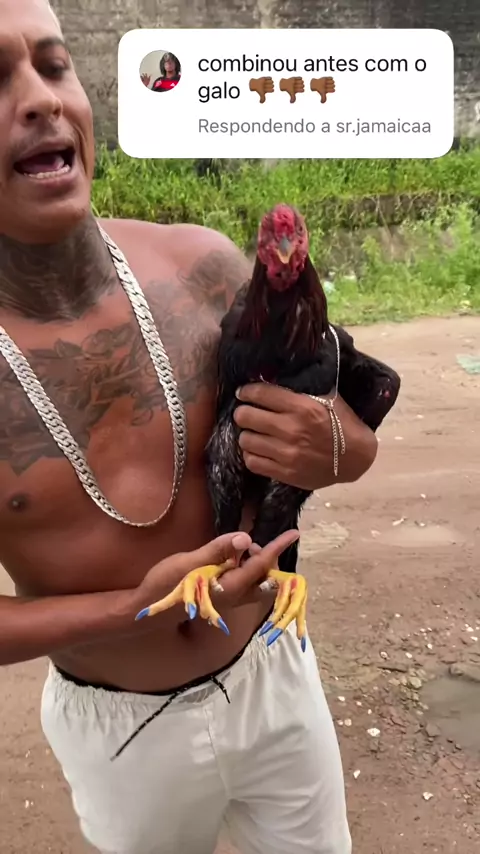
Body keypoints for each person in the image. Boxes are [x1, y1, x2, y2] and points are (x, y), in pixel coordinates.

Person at [0, 1, 381, 852]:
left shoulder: (204, 267)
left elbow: (350, 414)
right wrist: (130, 610)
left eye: (55, 67)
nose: (40, 99)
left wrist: (342, 448)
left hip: (274, 671)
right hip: (123, 731)